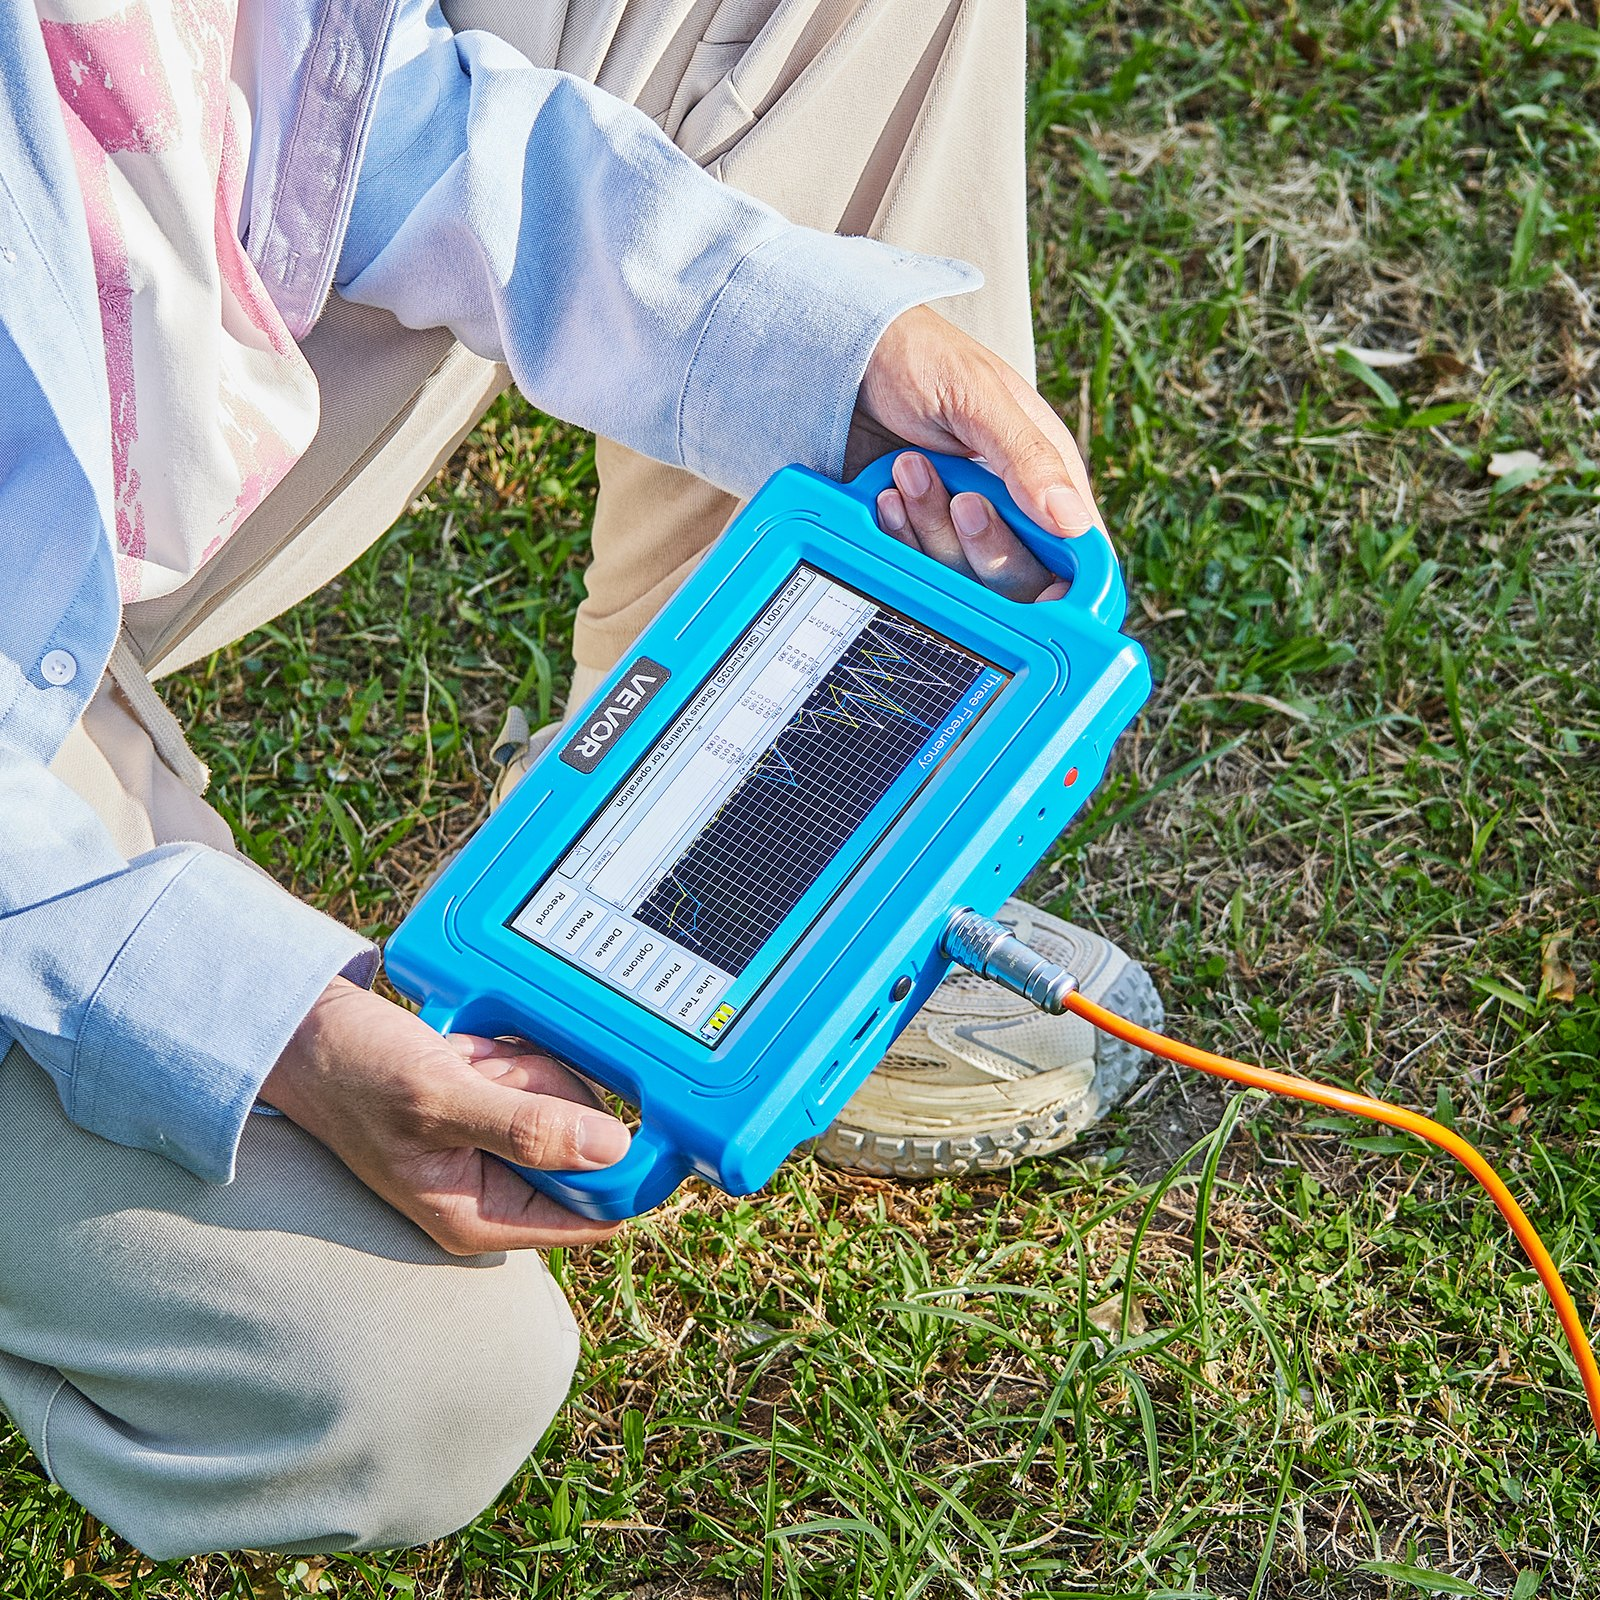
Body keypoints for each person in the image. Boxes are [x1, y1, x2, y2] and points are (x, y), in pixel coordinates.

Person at [0, 0, 1158, 1560]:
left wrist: (819, 338)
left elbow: (330, 99)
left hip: (83, 446)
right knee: (397, 1379)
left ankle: (779, 930)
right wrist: (259, 1024)